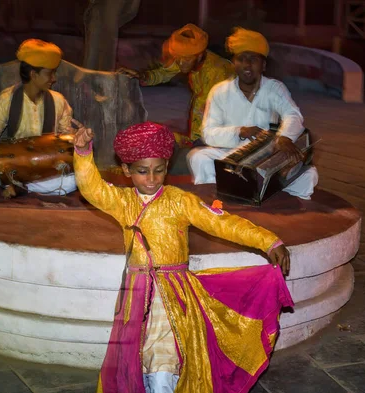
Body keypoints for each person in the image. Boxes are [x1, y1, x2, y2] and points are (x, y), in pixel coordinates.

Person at [72, 121, 293, 393]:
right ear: (127, 170)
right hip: (136, 295)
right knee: (138, 353)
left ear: (167, 166)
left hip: (174, 292)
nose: (152, 179)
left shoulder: (180, 201)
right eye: (142, 172)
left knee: (165, 350)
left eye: (159, 170)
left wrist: (268, 241)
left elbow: (223, 223)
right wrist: (83, 153)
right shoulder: (122, 201)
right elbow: (91, 188)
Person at [187, 28, 319, 200]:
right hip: (229, 154)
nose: (247, 65)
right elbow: (209, 133)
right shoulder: (220, 91)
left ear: (263, 65)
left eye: (253, 59)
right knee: (198, 158)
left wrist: (285, 137)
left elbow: (293, 115)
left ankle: (272, 200)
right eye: (241, 59)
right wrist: (239, 132)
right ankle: (219, 200)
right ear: (234, 63)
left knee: (309, 176)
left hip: (265, 156)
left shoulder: (274, 88)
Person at [0, 38, 77, 197]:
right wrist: (0, 164)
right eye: (50, 73)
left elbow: (66, 139)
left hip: (46, 170)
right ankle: (14, 182)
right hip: (11, 166)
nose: (54, 78)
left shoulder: (59, 101)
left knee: (73, 181)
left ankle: (19, 187)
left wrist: (79, 139)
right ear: (33, 74)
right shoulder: (8, 98)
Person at [118, 24, 234, 145]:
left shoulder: (216, 72)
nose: (181, 63)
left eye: (186, 59)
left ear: (199, 55)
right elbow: (164, 73)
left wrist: (192, 141)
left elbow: (204, 110)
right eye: (177, 57)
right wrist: (140, 75)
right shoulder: (189, 58)